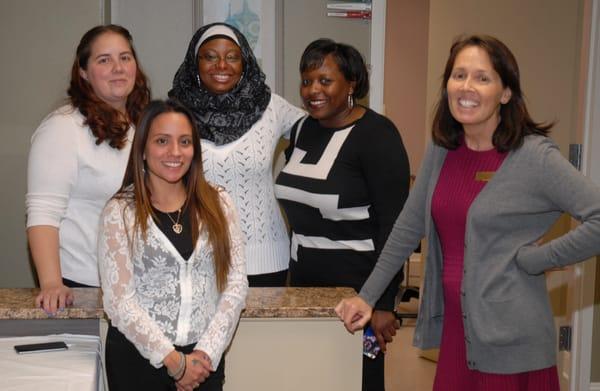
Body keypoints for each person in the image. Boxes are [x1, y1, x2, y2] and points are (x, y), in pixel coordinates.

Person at [336, 35, 600, 391]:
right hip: (456, 334)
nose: (467, 87)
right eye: (458, 75)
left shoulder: (534, 156)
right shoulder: (442, 150)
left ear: (506, 93)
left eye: (483, 78)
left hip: (511, 341)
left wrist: (538, 259)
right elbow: (408, 228)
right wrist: (366, 296)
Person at [275, 38, 411, 391]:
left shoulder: (377, 135)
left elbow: (394, 226)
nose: (312, 90)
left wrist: (382, 304)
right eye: (307, 81)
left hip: (361, 299)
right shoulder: (303, 130)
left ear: (351, 83)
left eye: (325, 80)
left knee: (361, 378)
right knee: (310, 380)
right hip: (303, 293)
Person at [98, 99, 248, 391]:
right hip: (139, 362)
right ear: (142, 149)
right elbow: (119, 302)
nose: (175, 152)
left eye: (184, 142)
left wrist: (204, 355)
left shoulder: (219, 203)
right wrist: (174, 363)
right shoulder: (120, 212)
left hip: (203, 363)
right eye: (162, 141)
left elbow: (236, 284)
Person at [26, 24, 150, 315]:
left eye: (125, 57)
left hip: (136, 290)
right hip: (84, 288)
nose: (118, 68)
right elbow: (43, 213)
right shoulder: (63, 128)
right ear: (83, 72)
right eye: (104, 60)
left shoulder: (141, 126)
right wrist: (52, 284)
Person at [169, 22, 304, 287]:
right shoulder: (173, 112)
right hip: (196, 256)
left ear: (245, 64)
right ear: (195, 63)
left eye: (232, 57)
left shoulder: (271, 108)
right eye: (210, 57)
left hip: (265, 258)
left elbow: (321, 129)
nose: (222, 66)